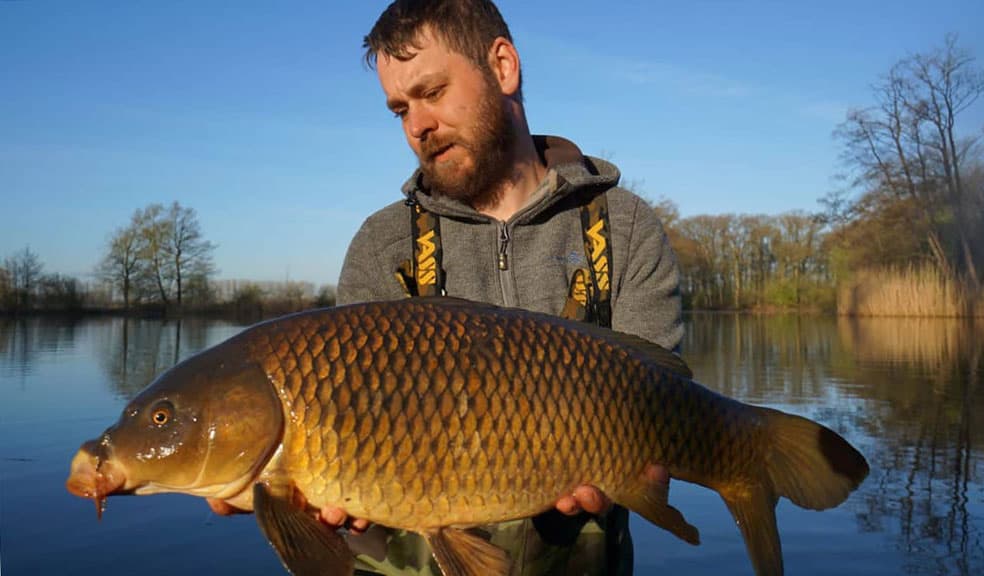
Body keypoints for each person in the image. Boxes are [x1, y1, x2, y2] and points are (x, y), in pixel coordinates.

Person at [211, 1, 684, 574]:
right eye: (399, 110)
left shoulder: (621, 226)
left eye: (432, 92)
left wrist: (639, 468)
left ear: (503, 67)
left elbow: (664, 397)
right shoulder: (384, 244)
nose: (418, 126)